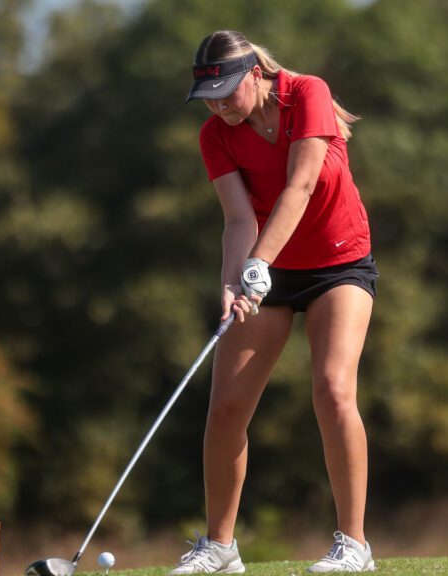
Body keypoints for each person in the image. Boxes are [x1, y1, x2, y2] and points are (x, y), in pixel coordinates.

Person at [170, 30, 378, 574]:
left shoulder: (306, 92)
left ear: (254, 75)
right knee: (226, 408)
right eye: (208, 97)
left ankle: (354, 544)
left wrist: (257, 262)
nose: (217, 105)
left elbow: (301, 185)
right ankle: (220, 548)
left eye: (226, 92)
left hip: (339, 264)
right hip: (269, 270)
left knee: (333, 390)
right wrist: (233, 280)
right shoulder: (216, 135)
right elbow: (238, 219)